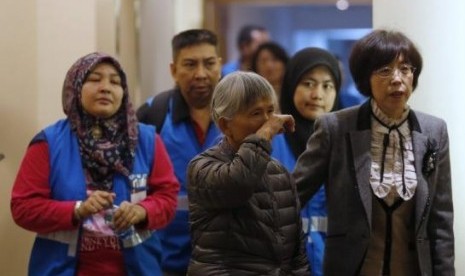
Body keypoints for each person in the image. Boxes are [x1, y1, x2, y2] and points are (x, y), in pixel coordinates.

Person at [293, 29, 454, 275]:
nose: (397, 79)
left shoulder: (434, 131)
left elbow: (441, 222)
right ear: (365, 78)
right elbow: (294, 196)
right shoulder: (335, 128)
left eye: (405, 68)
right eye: (385, 70)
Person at [10, 52, 180, 275]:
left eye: (115, 81)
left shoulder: (147, 140)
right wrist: (77, 209)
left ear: (123, 92)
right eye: (95, 79)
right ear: (76, 86)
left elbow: (168, 197)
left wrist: (141, 211)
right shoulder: (48, 143)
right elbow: (23, 207)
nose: (106, 87)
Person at [187, 71, 309, 275]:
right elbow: (239, 183)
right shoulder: (202, 167)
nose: (268, 121)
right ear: (225, 125)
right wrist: (264, 135)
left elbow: (297, 254)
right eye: (256, 113)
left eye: (271, 111)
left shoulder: (279, 171)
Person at [136, 29, 223, 275]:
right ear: (174, 70)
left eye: (208, 63)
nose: (201, 74)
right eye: (190, 64)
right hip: (163, 260)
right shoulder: (152, 116)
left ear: (219, 65)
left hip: (226, 260)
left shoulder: (240, 116)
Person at [271, 47, 341, 276]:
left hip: (333, 264)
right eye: (308, 84)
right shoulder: (270, 142)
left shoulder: (346, 144)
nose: (317, 94)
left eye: (327, 85)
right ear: (291, 85)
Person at [251, 41, 289, 109]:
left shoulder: (294, 93)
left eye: (274, 60)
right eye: (263, 61)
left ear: (284, 63)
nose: (269, 66)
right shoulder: (249, 96)